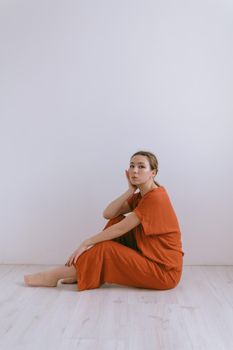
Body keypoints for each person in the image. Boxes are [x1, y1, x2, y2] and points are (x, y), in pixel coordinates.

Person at [24, 150, 184, 291]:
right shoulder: (141, 196)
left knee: (107, 248)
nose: (134, 171)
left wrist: (86, 242)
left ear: (153, 173)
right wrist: (129, 190)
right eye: (132, 165)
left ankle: (56, 275)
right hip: (150, 256)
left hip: (163, 272)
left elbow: (121, 230)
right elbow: (108, 213)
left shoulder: (155, 198)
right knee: (115, 220)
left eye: (141, 166)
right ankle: (82, 271)